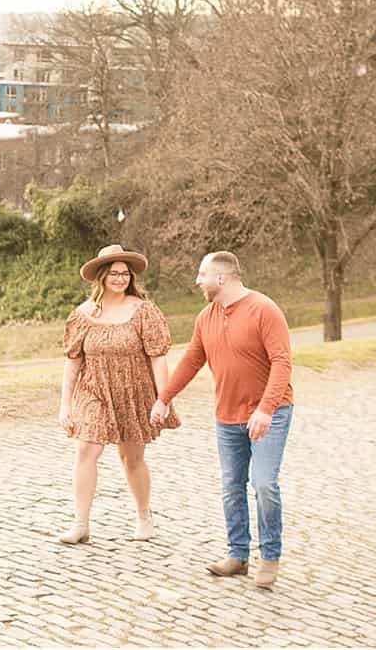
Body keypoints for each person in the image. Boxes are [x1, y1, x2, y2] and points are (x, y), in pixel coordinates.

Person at [152, 251, 293, 589]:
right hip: (227, 417)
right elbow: (190, 361)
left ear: (221, 278)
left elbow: (282, 363)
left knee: (263, 484)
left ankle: (270, 556)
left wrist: (265, 409)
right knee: (232, 486)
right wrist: (163, 398)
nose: (197, 280)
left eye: (202, 274)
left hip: (269, 413)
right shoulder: (206, 317)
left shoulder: (264, 310)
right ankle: (238, 554)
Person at [58, 243, 178, 545]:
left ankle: (143, 515)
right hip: (93, 389)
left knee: (131, 458)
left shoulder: (143, 312)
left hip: (133, 391)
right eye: (114, 273)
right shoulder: (82, 315)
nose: (120, 278)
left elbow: (158, 357)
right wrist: (65, 406)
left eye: (125, 273)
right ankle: (80, 523)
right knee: (86, 450)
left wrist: (163, 398)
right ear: (101, 276)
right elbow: (72, 363)